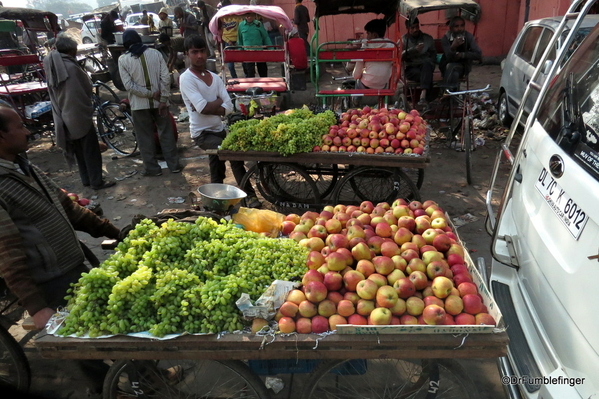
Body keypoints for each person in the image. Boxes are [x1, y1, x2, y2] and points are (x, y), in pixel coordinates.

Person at [0, 104, 121, 395]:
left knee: (115, 325)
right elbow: (7, 251)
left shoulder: (26, 166)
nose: (28, 131)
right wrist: (36, 306)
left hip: (73, 266)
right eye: (19, 127)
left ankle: (141, 374)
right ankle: (107, 389)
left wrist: (116, 232)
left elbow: (69, 209)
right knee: (77, 344)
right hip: (49, 281)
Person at [179, 35, 261, 208]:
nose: (199, 56)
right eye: (195, 52)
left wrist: (210, 105)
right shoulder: (186, 78)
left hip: (219, 129)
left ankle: (215, 203)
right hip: (202, 134)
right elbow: (203, 108)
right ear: (187, 54)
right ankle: (248, 197)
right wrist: (217, 102)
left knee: (219, 166)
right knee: (231, 153)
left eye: (202, 51)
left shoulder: (215, 78)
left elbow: (229, 106)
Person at [43, 34, 115, 190]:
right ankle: (96, 181)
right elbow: (83, 89)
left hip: (63, 114)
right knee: (90, 150)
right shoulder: (70, 67)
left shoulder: (53, 64)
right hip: (78, 114)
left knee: (79, 151)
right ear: (70, 51)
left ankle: (86, 179)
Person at [118, 29, 182, 176]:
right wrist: (163, 99)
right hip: (160, 102)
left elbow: (129, 86)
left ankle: (152, 169)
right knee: (166, 134)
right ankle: (174, 165)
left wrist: (149, 94)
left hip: (139, 105)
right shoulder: (156, 53)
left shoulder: (123, 60)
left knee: (144, 137)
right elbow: (166, 78)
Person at [440, 16, 482, 89]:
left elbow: (478, 54)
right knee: (454, 73)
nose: (460, 28)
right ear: (451, 28)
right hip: (446, 66)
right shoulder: (446, 38)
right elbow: (448, 57)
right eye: (456, 26)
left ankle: (445, 93)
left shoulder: (468, 37)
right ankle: (451, 96)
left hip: (463, 66)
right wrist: (453, 47)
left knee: (452, 67)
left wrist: (462, 55)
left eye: (462, 25)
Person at [402, 17, 436, 106]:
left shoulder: (427, 38)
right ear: (408, 29)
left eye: (417, 27)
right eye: (412, 28)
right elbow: (400, 57)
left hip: (426, 66)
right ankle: (428, 99)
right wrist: (413, 50)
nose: (415, 29)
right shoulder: (403, 40)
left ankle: (423, 95)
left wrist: (431, 62)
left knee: (427, 64)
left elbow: (433, 54)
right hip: (411, 69)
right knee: (426, 74)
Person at [352, 19, 394, 90]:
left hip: (366, 84)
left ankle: (356, 100)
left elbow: (356, 75)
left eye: (368, 33)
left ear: (374, 35)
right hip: (383, 84)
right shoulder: (392, 46)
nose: (367, 37)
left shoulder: (365, 48)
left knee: (357, 79)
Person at [237, 13, 271, 78]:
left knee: (263, 72)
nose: (249, 17)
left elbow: (265, 37)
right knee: (250, 73)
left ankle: (264, 87)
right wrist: (240, 53)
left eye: (251, 15)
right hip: (248, 53)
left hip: (259, 51)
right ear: (245, 16)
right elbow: (240, 40)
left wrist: (271, 49)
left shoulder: (258, 24)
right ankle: (251, 87)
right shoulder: (241, 25)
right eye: (247, 16)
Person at [218, 0, 242, 79]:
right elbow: (221, 33)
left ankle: (247, 77)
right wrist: (228, 41)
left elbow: (241, 28)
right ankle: (235, 79)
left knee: (244, 61)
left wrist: (238, 40)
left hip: (239, 41)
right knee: (230, 65)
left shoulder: (237, 16)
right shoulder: (221, 18)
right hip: (228, 43)